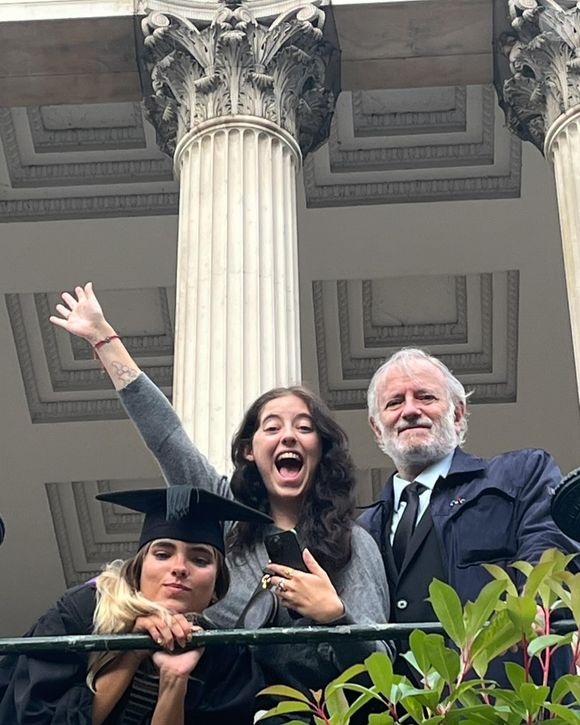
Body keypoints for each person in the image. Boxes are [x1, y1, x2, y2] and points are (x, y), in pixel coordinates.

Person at [48, 283, 391, 695]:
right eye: (272, 427)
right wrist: (105, 340)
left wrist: (334, 615)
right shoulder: (223, 516)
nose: (289, 437)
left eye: (304, 428)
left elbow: (382, 666)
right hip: (222, 706)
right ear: (249, 450)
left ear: (322, 449)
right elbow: (166, 437)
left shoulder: (355, 542)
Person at [358, 347, 579, 678]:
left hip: (504, 705)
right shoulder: (362, 530)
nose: (410, 410)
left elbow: (547, 543)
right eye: (394, 403)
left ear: (458, 414)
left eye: (425, 397)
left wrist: (531, 600)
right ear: (377, 428)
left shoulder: (520, 475)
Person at [0, 486, 269, 724]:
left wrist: (174, 679)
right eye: (163, 554)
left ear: (216, 590)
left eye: (200, 560)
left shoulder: (227, 659)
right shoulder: (82, 614)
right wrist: (131, 650)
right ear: (138, 571)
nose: (179, 568)